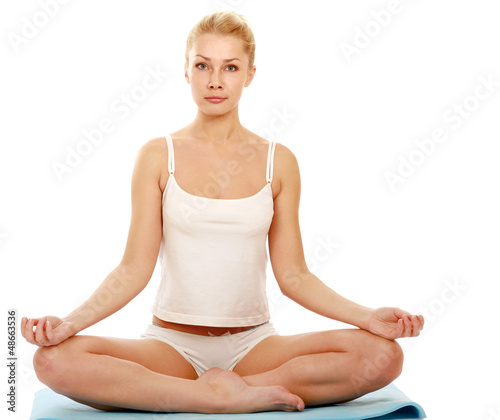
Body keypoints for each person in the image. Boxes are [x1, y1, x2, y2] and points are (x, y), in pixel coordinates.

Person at [21, 11, 424, 414]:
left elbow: (295, 276)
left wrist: (368, 317)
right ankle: (214, 396)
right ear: (186, 71)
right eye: (203, 65)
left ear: (249, 74)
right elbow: (132, 269)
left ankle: (233, 388)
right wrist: (70, 324)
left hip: (254, 346)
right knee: (53, 360)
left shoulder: (277, 161)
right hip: (170, 346)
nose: (215, 80)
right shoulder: (158, 156)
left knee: (384, 355)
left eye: (230, 67)